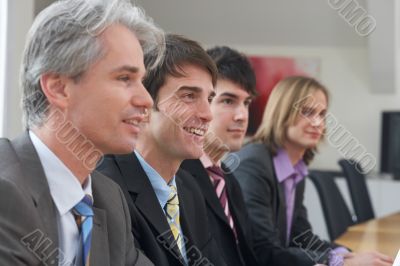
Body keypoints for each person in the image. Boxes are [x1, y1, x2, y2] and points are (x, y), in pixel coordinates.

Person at [0, 0, 165, 265]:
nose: (146, 100)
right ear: (58, 88)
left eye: (142, 82)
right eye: (125, 78)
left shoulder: (109, 198)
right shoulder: (5, 190)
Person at [233, 76, 394, 266]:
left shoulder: (296, 168)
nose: (317, 122)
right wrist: (339, 262)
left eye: (322, 114)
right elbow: (263, 251)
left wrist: (347, 255)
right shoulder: (253, 164)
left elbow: (301, 237)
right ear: (282, 113)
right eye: (307, 112)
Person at [97, 34, 225, 266]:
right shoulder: (107, 190)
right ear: (144, 104)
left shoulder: (190, 189)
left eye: (209, 98)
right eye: (189, 96)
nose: (207, 114)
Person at [180, 46, 260, 266]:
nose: (242, 115)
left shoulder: (229, 181)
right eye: (227, 101)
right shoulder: (177, 178)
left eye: (246, 103)